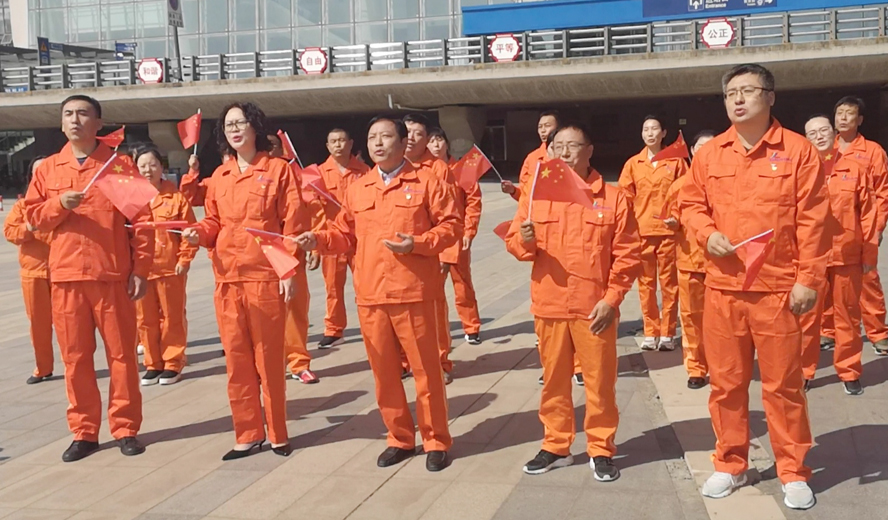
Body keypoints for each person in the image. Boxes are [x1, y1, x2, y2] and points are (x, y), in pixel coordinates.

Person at [680, 64, 829, 509]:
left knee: (783, 387)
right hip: (724, 289)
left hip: (777, 290)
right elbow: (689, 203)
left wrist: (808, 280)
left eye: (748, 90)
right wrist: (707, 233)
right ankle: (731, 463)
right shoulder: (710, 154)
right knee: (726, 384)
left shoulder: (799, 152)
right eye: (731, 93)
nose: (738, 99)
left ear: (771, 96)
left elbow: (815, 220)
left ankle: (793, 470)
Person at [294, 116, 461, 472]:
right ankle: (399, 438)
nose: (378, 143)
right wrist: (318, 240)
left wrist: (418, 243)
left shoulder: (427, 182)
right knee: (384, 375)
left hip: (414, 292)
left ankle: (436, 440)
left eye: (386, 136)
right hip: (371, 294)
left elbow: (451, 226)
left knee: (426, 374)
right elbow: (344, 234)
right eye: (372, 138)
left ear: (403, 143)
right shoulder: (359, 188)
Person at [505, 122, 640, 480]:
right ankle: (556, 445)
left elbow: (628, 256)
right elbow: (516, 247)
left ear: (589, 151)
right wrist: (525, 239)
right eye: (557, 146)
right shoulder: (536, 195)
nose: (563, 153)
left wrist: (612, 300)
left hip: (594, 309)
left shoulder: (613, 198)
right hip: (549, 306)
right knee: (553, 381)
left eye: (572, 146)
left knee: (600, 382)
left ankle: (601, 448)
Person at [25, 95, 154, 462]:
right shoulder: (49, 169)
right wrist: (58, 205)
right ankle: (84, 432)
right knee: (76, 359)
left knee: (122, 356)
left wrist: (141, 270)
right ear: (61, 123)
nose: (75, 120)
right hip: (66, 278)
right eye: (68, 114)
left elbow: (142, 223)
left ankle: (125, 428)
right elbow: (32, 219)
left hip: (111, 276)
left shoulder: (118, 165)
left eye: (83, 114)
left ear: (98, 123)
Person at [182, 102, 308, 460]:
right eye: (228, 125)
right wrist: (198, 233)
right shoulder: (220, 176)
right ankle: (248, 433)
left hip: (264, 277)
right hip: (228, 279)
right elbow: (213, 221)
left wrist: (287, 270)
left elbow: (292, 224)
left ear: (255, 127)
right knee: (237, 361)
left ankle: (278, 433)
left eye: (240, 123)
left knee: (268, 359)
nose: (234, 130)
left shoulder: (279, 170)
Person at [800, 115, 876, 395]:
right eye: (812, 133)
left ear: (834, 134)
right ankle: (804, 371)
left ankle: (849, 370)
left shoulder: (855, 169)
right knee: (806, 319)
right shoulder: (800, 171)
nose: (819, 136)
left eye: (823, 130)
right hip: (810, 258)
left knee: (848, 316)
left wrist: (869, 254)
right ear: (805, 139)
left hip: (847, 254)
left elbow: (868, 214)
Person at [403, 113, 462, 384]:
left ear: (427, 139)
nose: (412, 138)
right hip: (401, 256)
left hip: (430, 253)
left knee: (433, 311)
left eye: (418, 134)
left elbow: (450, 218)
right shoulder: (392, 167)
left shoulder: (438, 169)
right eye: (407, 133)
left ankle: (440, 362)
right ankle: (406, 361)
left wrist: (446, 255)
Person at [133, 146, 198, 386]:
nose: (147, 170)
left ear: (162, 167)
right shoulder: (132, 200)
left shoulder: (176, 198)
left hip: (170, 267)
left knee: (172, 317)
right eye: (142, 166)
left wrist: (184, 259)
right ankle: (153, 363)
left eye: (152, 165)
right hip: (141, 270)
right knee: (145, 319)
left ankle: (173, 362)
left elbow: (189, 231)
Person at [619, 116, 686, 352]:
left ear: (663, 133)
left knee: (669, 284)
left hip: (668, 232)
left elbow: (685, 193)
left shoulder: (676, 162)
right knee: (645, 285)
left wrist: (676, 217)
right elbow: (624, 198)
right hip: (642, 232)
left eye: (654, 128)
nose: (649, 133)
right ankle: (650, 332)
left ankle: (668, 333)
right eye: (645, 129)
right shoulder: (633, 164)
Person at [831, 96, 888, 356]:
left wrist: (876, 229)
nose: (843, 118)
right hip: (830, 231)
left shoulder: (873, 151)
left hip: (861, 229)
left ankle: (878, 333)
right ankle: (827, 331)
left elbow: (882, 193)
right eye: (839, 113)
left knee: (868, 280)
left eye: (849, 113)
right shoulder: (823, 149)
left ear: (860, 120)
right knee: (827, 283)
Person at [665, 131, 714, 389]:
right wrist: (672, 223)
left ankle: (722, 366)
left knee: (722, 321)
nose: (705, 151)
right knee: (692, 318)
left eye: (711, 146)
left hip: (722, 263)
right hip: (689, 261)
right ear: (693, 150)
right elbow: (671, 215)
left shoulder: (728, 182)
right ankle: (696, 368)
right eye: (701, 147)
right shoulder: (679, 186)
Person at [314, 128, 370, 348]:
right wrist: (316, 244)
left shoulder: (365, 171)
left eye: (342, 140)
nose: (338, 145)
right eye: (333, 141)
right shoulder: (318, 174)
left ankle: (370, 324)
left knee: (365, 285)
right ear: (327, 146)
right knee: (333, 287)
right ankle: (334, 329)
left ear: (351, 143)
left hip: (358, 239)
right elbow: (314, 212)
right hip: (332, 238)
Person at [427, 127, 483, 345]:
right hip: (433, 239)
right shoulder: (422, 171)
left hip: (457, 237)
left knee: (462, 284)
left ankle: (471, 326)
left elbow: (473, 202)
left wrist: (470, 230)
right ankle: (438, 332)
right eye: (431, 141)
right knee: (433, 288)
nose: (435, 145)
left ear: (447, 143)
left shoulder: (462, 169)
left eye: (439, 140)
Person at [4, 156, 54, 384]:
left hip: (62, 270)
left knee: (71, 324)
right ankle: (43, 367)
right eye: (37, 172)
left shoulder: (62, 204)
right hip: (33, 273)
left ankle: (77, 367)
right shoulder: (22, 206)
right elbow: (10, 232)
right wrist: (30, 227)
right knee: (38, 324)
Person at [502, 110, 560, 201]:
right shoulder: (532, 158)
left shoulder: (567, 156)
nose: (543, 130)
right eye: (540, 127)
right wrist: (513, 190)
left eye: (547, 126)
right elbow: (524, 194)